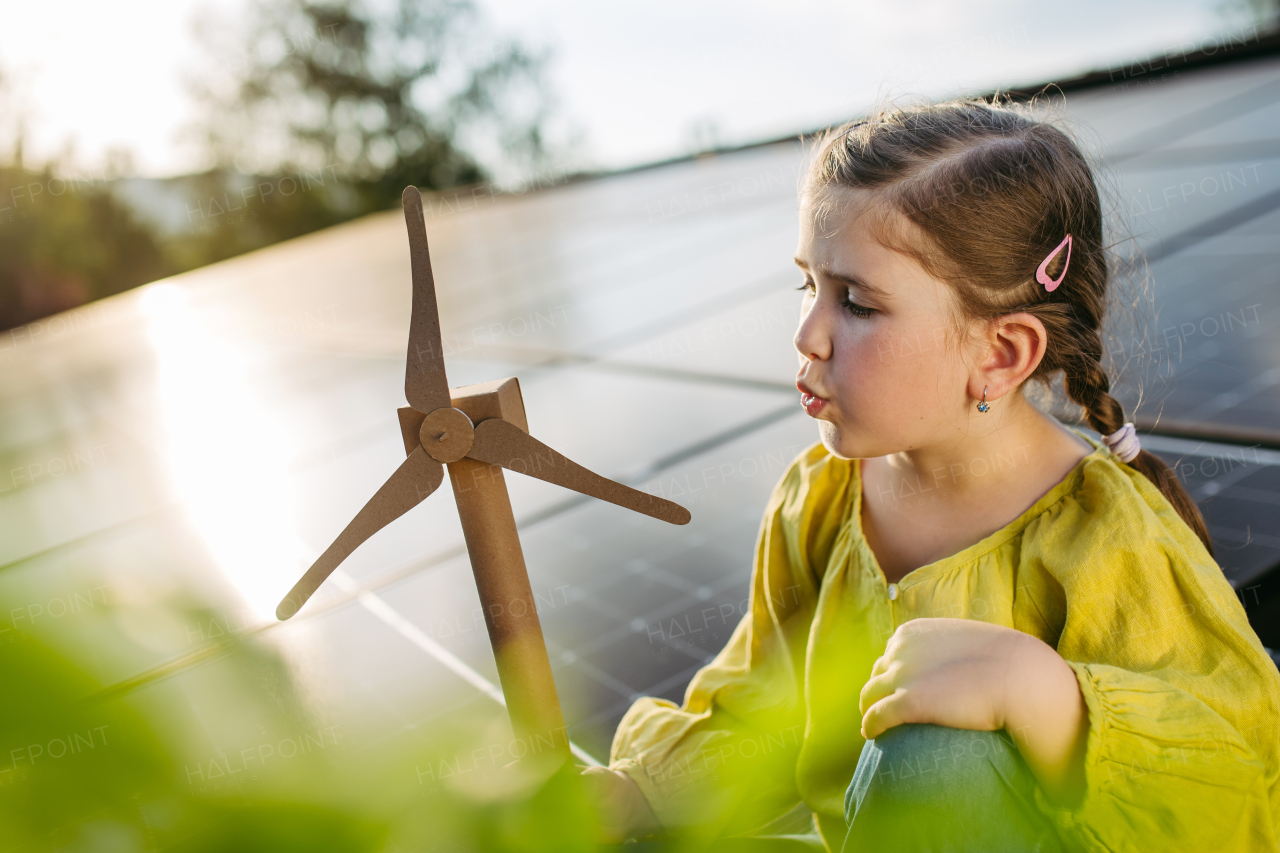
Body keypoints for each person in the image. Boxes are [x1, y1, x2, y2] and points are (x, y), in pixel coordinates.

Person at [579, 99, 1280, 852]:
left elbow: (1233, 780)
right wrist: (635, 793)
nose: (806, 333)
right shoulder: (817, 498)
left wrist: (1055, 703)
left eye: (856, 302)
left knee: (933, 753)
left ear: (1002, 354)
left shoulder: (1109, 539)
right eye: (806, 286)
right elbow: (765, 709)